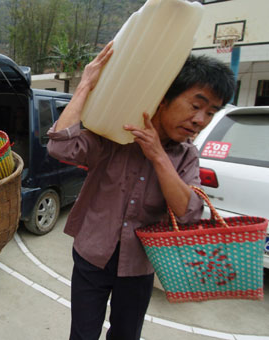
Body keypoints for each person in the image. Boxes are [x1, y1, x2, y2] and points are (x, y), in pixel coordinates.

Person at [47, 41, 235, 340]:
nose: (201, 120)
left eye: (211, 112)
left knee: (126, 335)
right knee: (82, 335)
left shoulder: (186, 155)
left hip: (140, 264)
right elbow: (60, 146)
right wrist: (84, 85)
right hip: (92, 253)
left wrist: (158, 156)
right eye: (196, 105)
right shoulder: (116, 134)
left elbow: (188, 213)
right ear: (164, 99)